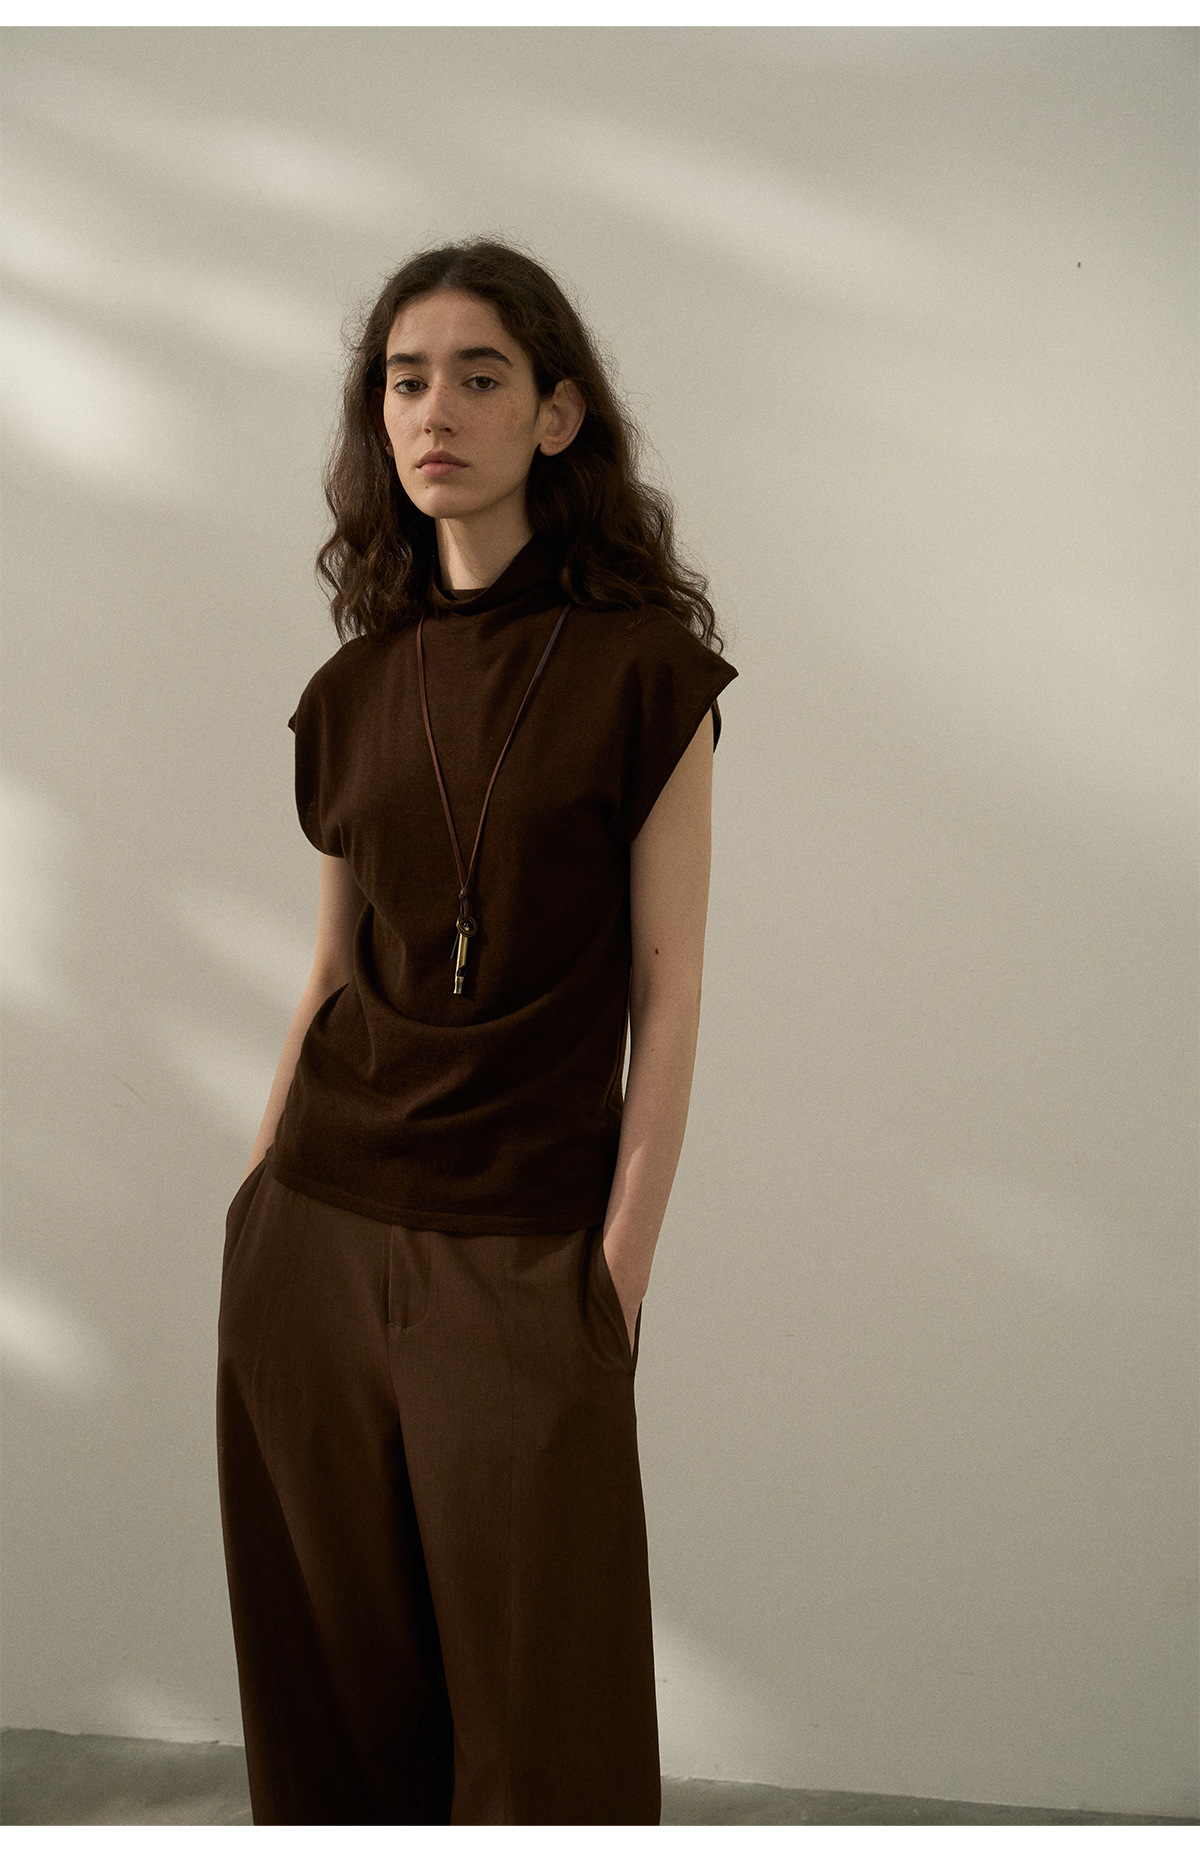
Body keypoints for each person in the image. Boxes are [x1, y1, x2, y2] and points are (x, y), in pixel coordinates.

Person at [215, 236, 738, 1827]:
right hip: (313, 1236)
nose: (434, 410)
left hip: (522, 1250)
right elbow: (327, 976)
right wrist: (257, 1201)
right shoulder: (350, 691)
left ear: (557, 416)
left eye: (479, 376)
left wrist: (614, 1278)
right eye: (404, 380)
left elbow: (669, 997)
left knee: (544, 1719)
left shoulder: (648, 678)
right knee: (334, 1701)